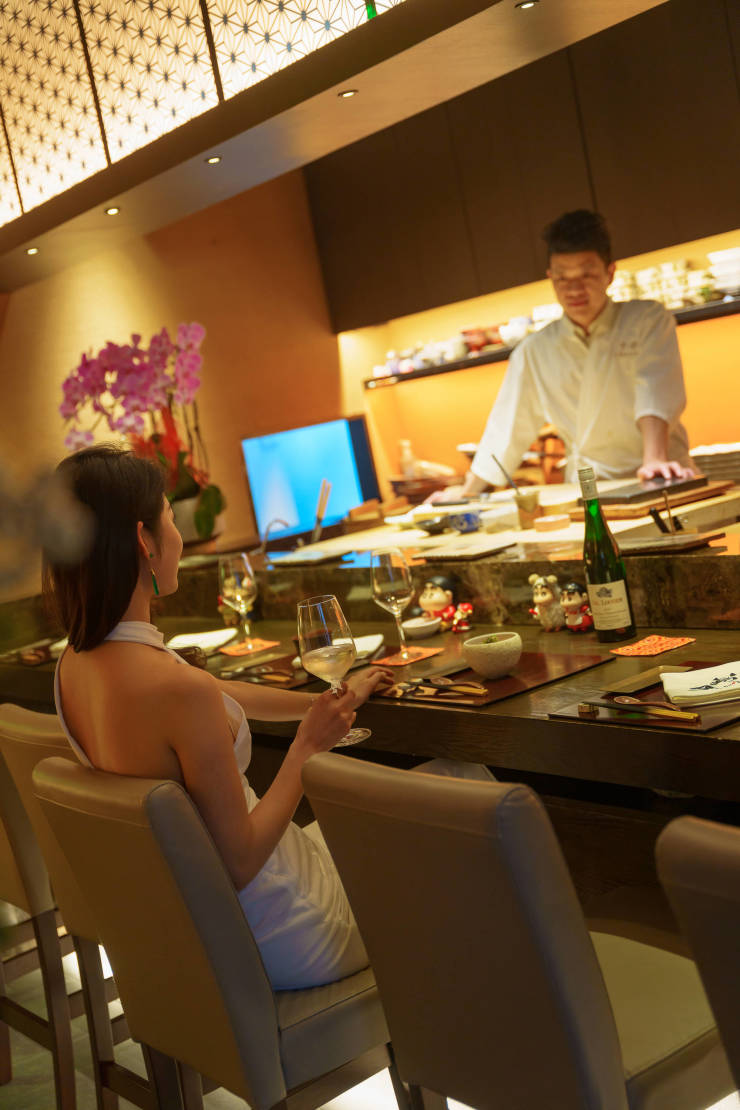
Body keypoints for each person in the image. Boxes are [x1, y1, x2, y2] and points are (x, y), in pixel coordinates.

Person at [45, 446, 494, 991]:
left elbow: (211, 694)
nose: (178, 536)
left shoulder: (77, 665)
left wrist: (323, 702)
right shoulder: (174, 687)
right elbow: (241, 859)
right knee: (467, 788)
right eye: (169, 516)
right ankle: (485, 1008)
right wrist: (308, 746)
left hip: (209, 931)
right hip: (292, 927)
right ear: (144, 540)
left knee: (443, 794)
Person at [456, 210, 694, 496]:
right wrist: (466, 494)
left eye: (587, 274)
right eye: (561, 278)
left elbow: (654, 391)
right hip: (591, 488)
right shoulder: (535, 351)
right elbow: (506, 428)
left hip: (660, 475)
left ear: (610, 273)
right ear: (550, 277)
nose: (574, 289)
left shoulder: (646, 320)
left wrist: (654, 459)